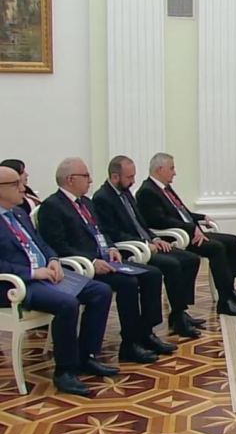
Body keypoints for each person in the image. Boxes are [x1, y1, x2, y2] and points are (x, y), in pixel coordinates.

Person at [37, 158, 174, 364]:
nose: (91, 180)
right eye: (85, 176)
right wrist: (91, 261)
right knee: (128, 284)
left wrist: (111, 247)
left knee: (152, 274)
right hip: (82, 267)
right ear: (70, 179)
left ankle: (146, 333)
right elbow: (57, 245)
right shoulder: (52, 206)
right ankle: (129, 344)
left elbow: (101, 231)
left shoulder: (86, 203)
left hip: (106, 259)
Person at [0, 165, 116, 396]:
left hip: (46, 274)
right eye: (16, 184)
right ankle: (65, 371)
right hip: (16, 284)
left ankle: (86, 355)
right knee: (67, 304)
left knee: (100, 291)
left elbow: (40, 243)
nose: (23, 188)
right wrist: (33, 272)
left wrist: (53, 259)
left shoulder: (19, 213)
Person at [93, 155, 203, 337]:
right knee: (172, 265)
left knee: (189, 259)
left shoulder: (126, 193)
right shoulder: (102, 198)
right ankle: (166, 322)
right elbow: (113, 233)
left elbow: (141, 224)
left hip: (146, 243)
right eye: (129, 177)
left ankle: (179, 312)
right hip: (131, 249)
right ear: (115, 177)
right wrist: (145, 243)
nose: (133, 181)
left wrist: (154, 238)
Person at [136, 152, 236, 316]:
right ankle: (224, 300)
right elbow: (160, 221)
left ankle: (230, 290)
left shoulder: (165, 188)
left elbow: (182, 212)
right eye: (172, 168)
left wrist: (200, 217)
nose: (175, 173)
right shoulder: (147, 192)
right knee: (216, 248)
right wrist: (190, 228)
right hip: (176, 237)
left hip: (189, 231)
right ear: (160, 169)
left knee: (232, 241)